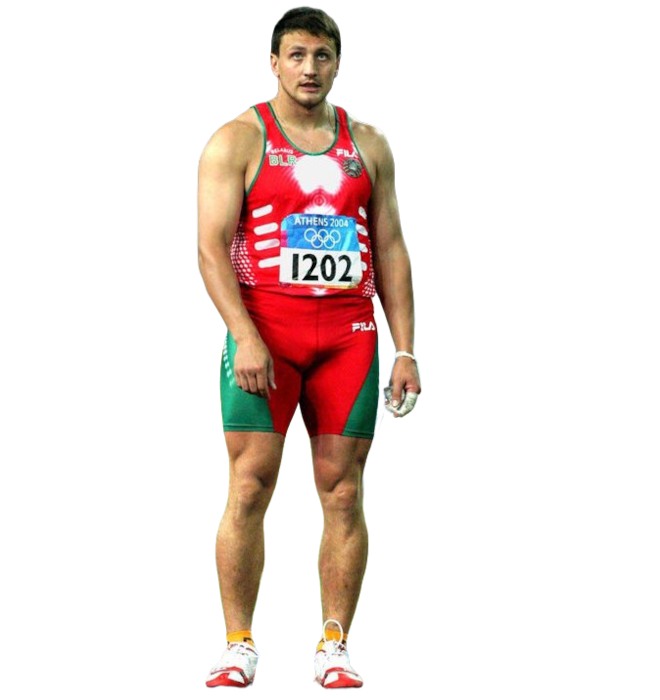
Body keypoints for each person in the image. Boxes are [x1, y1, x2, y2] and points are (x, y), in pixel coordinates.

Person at [197, 5, 420, 689]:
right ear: (274, 63)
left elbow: (391, 248)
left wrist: (406, 351)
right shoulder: (237, 138)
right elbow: (209, 249)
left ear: (338, 64)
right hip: (267, 332)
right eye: (296, 55)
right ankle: (238, 644)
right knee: (250, 484)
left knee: (343, 491)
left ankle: (333, 646)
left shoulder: (369, 142)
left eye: (322, 56)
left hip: (349, 337)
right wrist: (245, 335)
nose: (309, 68)